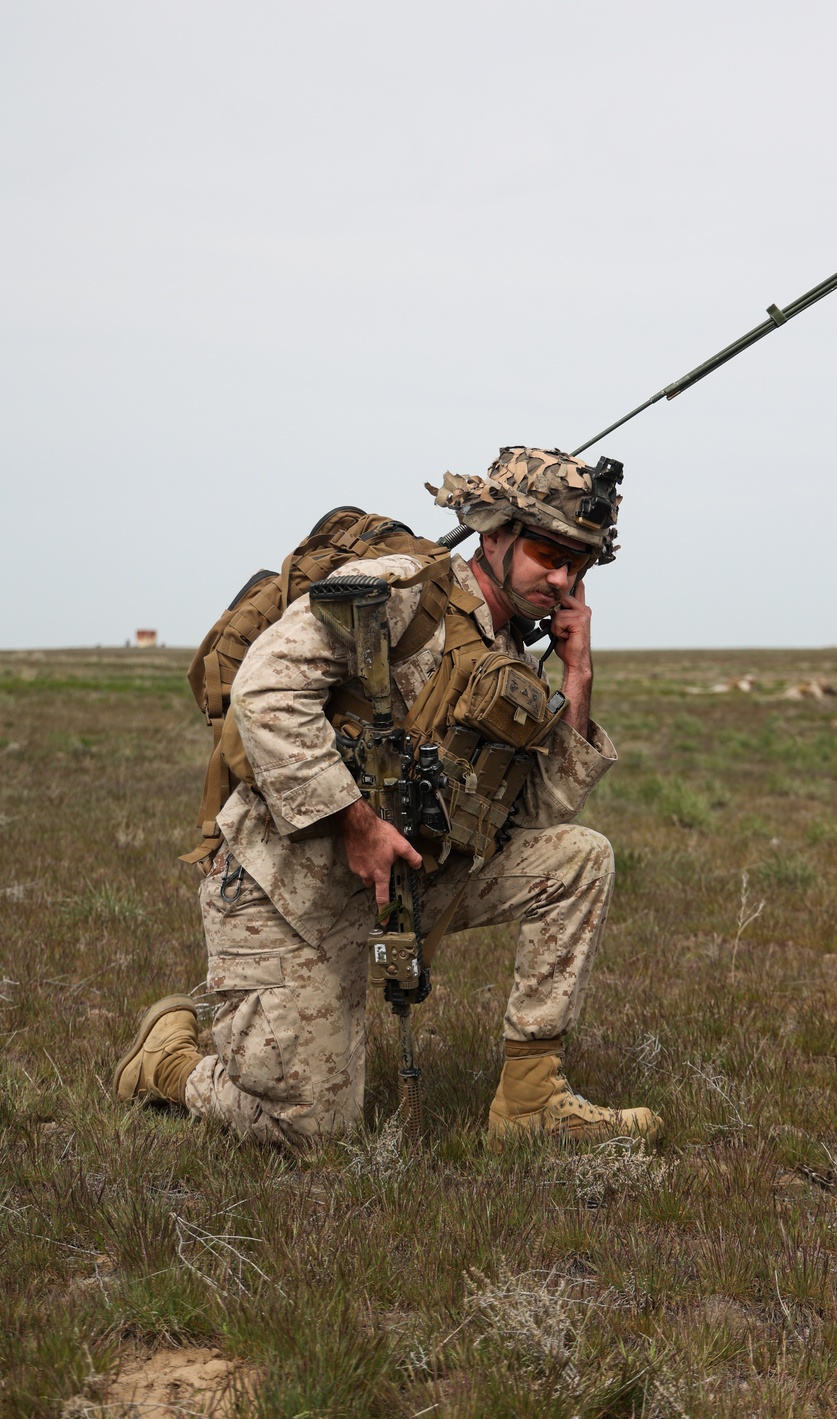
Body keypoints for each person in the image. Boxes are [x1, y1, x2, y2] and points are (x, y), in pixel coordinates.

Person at [114, 448, 660, 1149]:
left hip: (399, 884)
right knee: (310, 1132)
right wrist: (355, 821)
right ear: (494, 534)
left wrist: (578, 671)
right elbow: (266, 689)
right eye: (548, 552)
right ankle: (170, 1063)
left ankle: (530, 1100)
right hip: (284, 892)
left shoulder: (511, 661)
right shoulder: (398, 590)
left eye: (579, 567)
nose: (562, 579)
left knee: (577, 860)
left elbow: (537, 815)